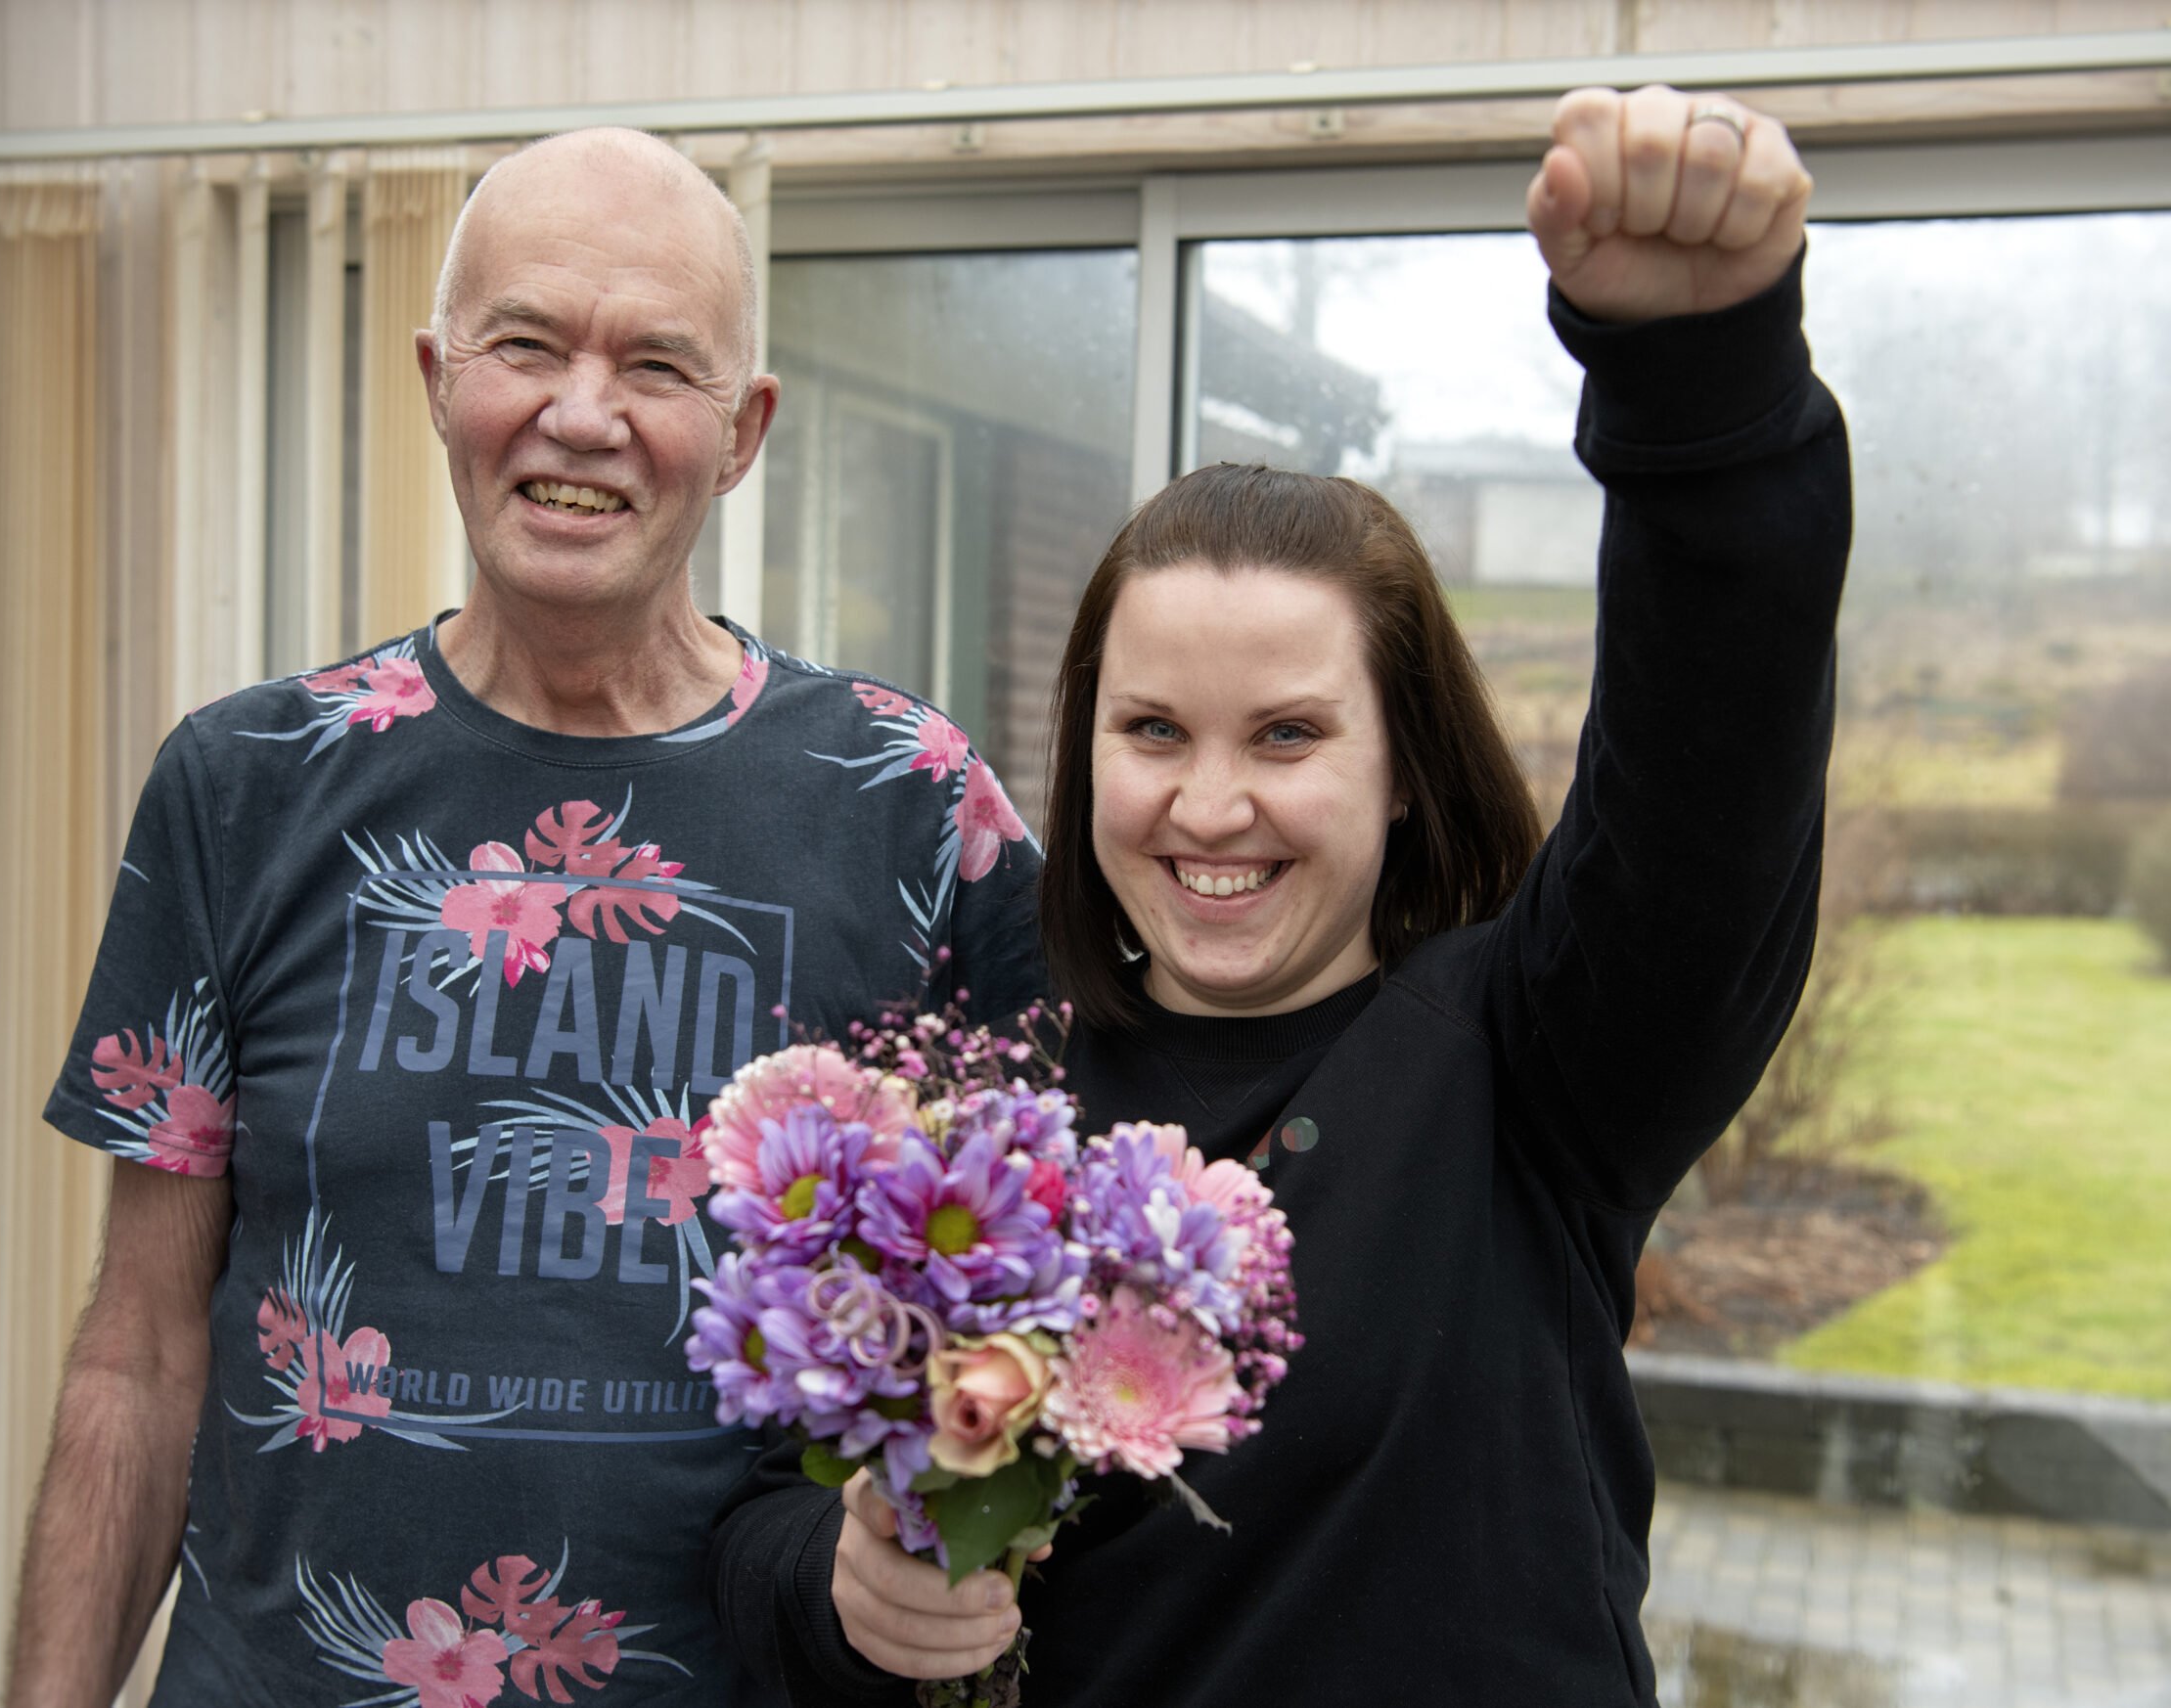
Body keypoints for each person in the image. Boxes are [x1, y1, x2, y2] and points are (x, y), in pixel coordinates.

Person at [709, 84, 1847, 1703]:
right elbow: (761, 1504)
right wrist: (836, 1583)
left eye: (1291, 734)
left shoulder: (1535, 1067)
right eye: (1153, 729)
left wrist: (1702, 385)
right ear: (1084, 745)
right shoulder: (974, 1126)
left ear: (1403, 765)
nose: (1211, 804)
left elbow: (1707, 779)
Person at [6, 127, 1039, 1707]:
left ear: (744, 428)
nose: (582, 413)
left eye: (657, 364)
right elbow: (140, 1352)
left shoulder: (910, 800)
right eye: (527, 344)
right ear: (437, 378)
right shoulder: (245, 784)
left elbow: (1035, 1299)